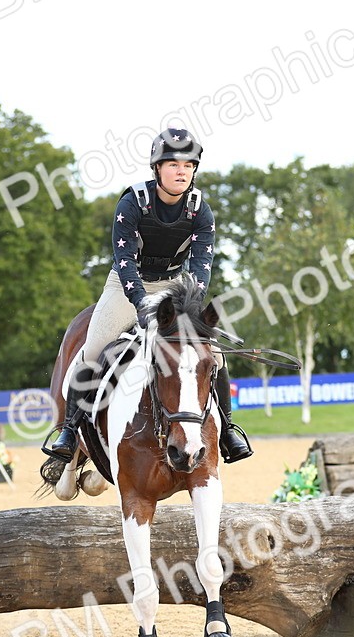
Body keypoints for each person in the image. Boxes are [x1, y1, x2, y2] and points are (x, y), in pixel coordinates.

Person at [43, 127, 252, 465]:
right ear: (157, 168)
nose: (181, 170)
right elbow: (124, 261)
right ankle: (69, 428)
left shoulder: (201, 211)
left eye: (188, 165)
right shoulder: (133, 203)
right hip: (126, 286)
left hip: (174, 286)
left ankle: (227, 429)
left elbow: (201, 267)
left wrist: (190, 308)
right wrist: (140, 301)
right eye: (173, 164)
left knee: (214, 354)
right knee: (94, 349)